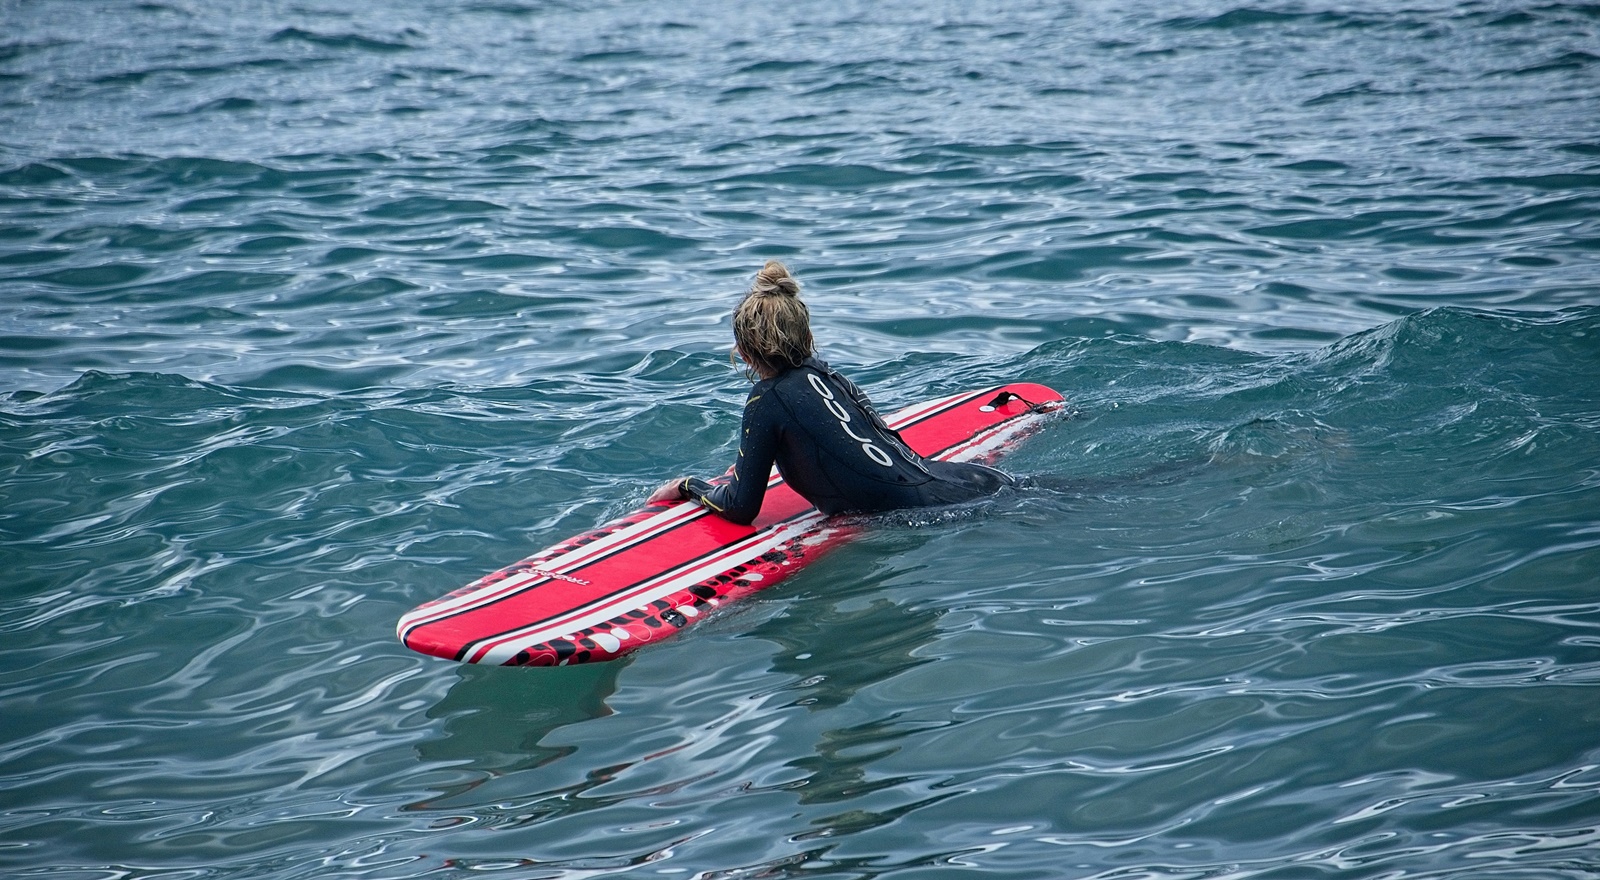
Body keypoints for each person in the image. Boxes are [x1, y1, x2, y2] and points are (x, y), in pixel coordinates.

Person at [649, 261, 1015, 525]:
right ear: (807, 336)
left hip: (926, 516)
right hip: (967, 482)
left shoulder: (766, 400)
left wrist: (687, 486)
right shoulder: (830, 377)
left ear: (743, 354)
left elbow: (740, 509)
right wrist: (757, 461)